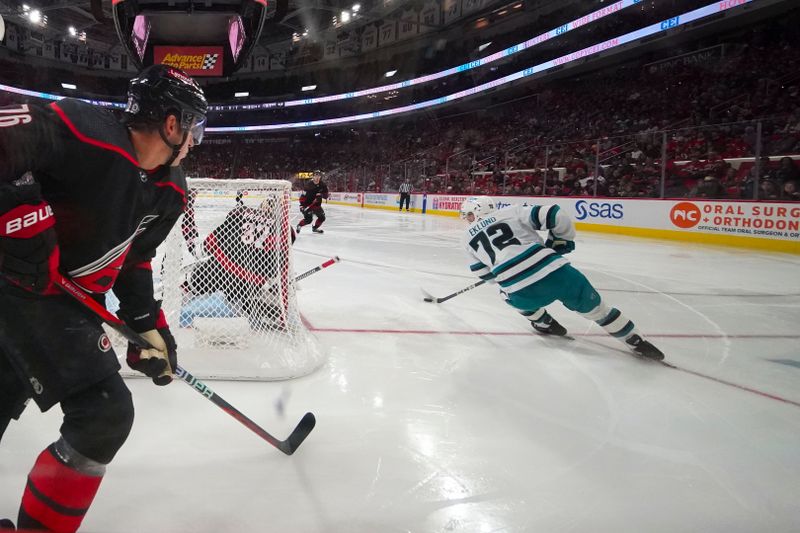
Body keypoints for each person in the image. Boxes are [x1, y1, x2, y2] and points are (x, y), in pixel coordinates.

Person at [0, 64, 206, 532]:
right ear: (171, 124)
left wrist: (146, 325)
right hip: (19, 291)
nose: (195, 140)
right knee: (104, 412)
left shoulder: (170, 191)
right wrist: (19, 216)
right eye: (193, 127)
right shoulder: (80, 129)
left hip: (61, 303)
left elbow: (134, 262)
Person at [460, 196, 663, 360]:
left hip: (521, 291)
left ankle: (543, 322)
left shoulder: (466, 237)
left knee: (506, 295)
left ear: (478, 211)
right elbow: (554, 213)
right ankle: (633, 338)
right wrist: (561, 239)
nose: (467, 220)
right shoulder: (511, 211)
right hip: (558, 274)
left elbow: (486, 276)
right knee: (598, 311)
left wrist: (500, 274)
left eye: (468, 215)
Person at [183, 195, 295, 328]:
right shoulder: (286, 230)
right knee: (252, 297)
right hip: (247, 282)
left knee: (192, 283)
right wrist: (274, 282)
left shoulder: (241, 214)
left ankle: (174, 300)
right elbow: (279, 264)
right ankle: (253, 309)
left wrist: (203, 252)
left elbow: (210, 243)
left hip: (219, 269)